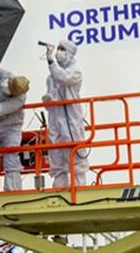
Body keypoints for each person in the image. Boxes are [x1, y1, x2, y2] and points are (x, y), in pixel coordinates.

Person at [42, 39, 88, 188]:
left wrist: (51, 61)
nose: (58, 52)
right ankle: (59, 186)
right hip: (55, 117)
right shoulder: (51, 77)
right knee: (55, 150)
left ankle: (79, 187)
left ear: (69, 53)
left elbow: (63, 78)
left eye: (62, 49)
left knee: (74, 150)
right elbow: (52, 89)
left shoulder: (76, 71)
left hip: (71, 117)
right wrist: (48, 100)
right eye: (58, 49)